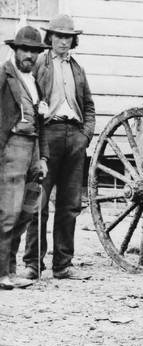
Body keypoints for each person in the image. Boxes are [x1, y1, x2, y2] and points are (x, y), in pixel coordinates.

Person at [22, 15, 95, 280]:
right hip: (47, 137)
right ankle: (33, 264)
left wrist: (85, 135)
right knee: (38, 203)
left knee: (69, 205)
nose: (63, 41)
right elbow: (27, 100)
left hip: (74, 137)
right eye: (58, 36)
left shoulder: (77, 68)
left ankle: (63, 265)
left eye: (68, 37)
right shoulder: (40, 63)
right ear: (50, 38)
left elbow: (88, 106)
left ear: (73, 40)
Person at [0, 26, 49, 290]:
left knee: (25, 211)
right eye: (25, 50)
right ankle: (1, 273)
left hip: (33, 149)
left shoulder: (34, 81)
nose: (29, 55)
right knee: (7, 212)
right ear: (15, 50)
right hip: (11, 148)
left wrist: (42, 158)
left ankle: (10, 270)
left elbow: (41, 124)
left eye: (34, 51)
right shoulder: (4, 75)